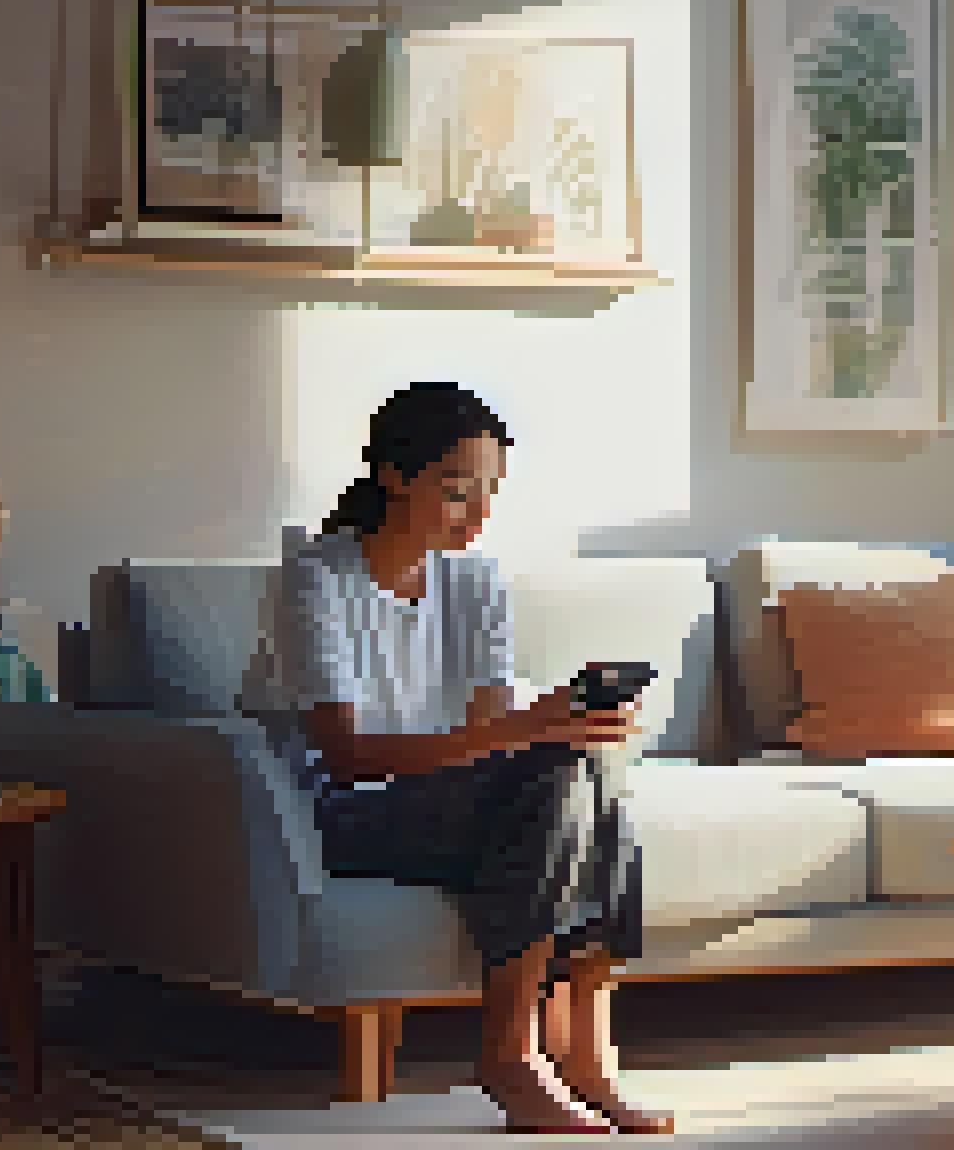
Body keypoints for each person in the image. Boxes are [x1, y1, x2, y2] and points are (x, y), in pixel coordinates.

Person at [243, 383, 667, 1135]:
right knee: (559, 777)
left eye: (489, 493)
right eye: (457, 491)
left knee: (583, 776)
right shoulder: (317, 578)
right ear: (395, 476)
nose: (478, 514)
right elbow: (344, 758)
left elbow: (486, 736)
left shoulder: (474, 584)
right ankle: (513, 1058)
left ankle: (582, 1060)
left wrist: (557, 726)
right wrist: (525, 731)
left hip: (444, 803)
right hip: (343, 814)